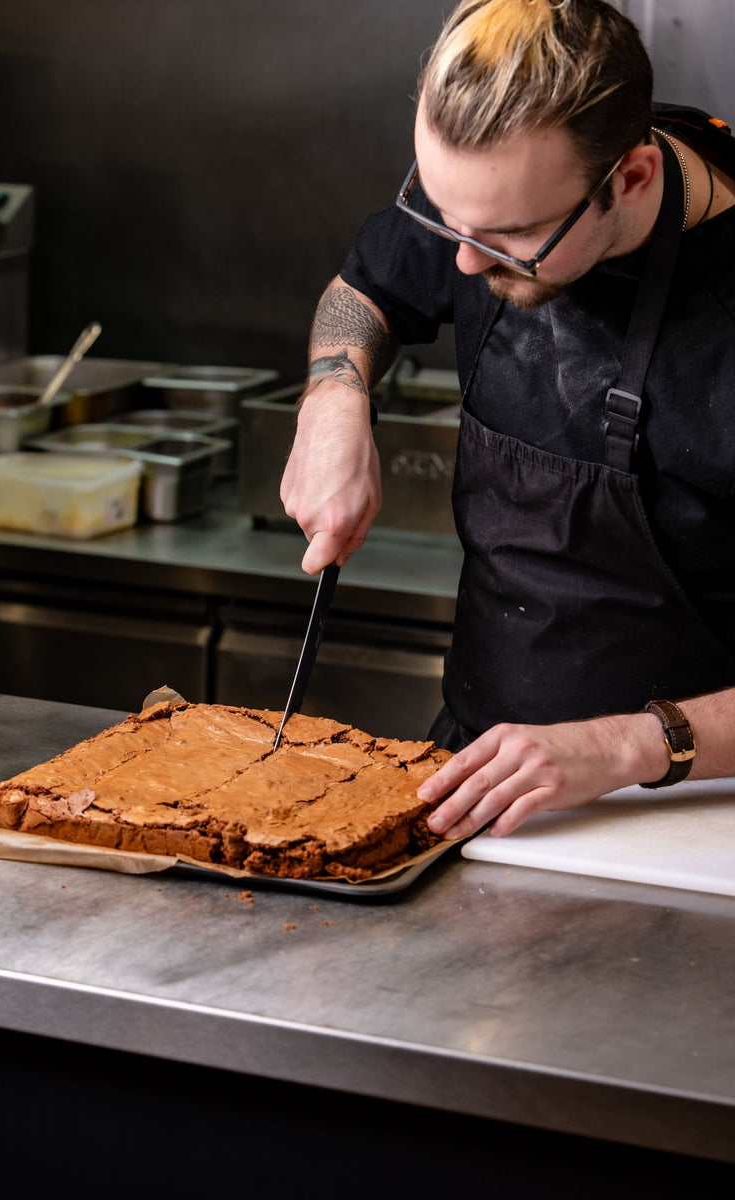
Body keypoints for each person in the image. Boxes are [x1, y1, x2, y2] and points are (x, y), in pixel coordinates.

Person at [280, 0, 735, 841]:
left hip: (695, 813)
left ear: (632, 178)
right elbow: (368, 289)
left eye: (508, 238)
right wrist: (332, 402)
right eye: (444, 217)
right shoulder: (494, 186)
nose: (461, 259)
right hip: (480, 767)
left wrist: (627, 745)